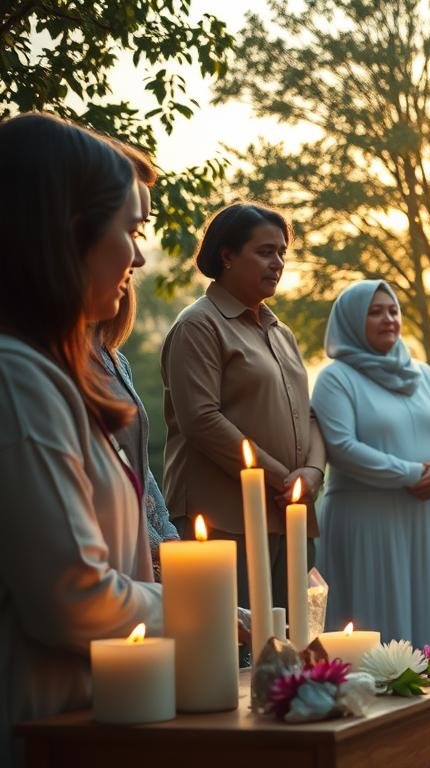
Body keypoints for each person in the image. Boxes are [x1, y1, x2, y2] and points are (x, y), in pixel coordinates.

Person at [0, 113, 163, 765]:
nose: (138, 255)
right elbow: (73, 596)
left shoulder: (54, 375)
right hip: (37, 726)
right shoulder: (17, 379)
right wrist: (187, 603)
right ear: (72, 232)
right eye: (130, 228)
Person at [161, 202, 325, 617]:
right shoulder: (199, 325)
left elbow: (307, 414)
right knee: (231, 653)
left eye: (283, 252)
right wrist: (279, 476)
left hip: (288, 514)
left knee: (291, 647)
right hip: (222, 519)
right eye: (266, 251)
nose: (279, 263)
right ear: (227, 256)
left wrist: (313, 473)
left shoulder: (279, 331)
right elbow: (201, 420)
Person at [312, 280, 430, 667]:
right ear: (351, 320)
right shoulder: (337, 378)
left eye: (393, 310)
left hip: (424, 515)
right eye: (375, 311)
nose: (389, 318)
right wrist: (413, 472)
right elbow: (343, 447)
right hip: (368, 519)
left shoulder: (423, 374)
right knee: (376, 615)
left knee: (428, 609)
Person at [93, 143, 180, 582]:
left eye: (140, 233)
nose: (139, 258)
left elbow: (141, 477)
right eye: (130, 232)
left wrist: (175, 551)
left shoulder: (113, 360)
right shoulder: (28, 373)